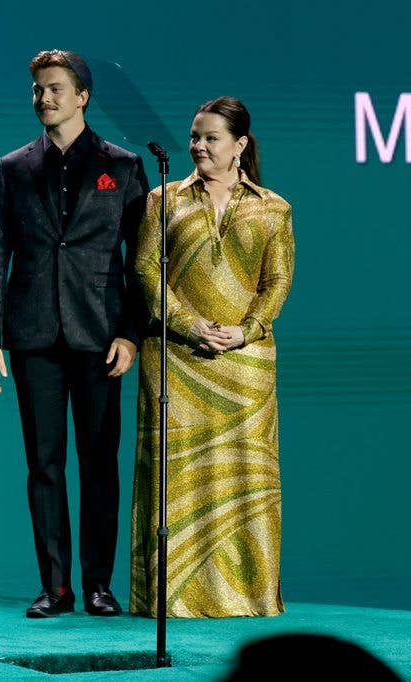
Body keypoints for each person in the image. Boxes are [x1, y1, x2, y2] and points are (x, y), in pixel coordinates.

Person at [0, 50, 149, 618]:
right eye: (37, 90)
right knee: (44, 465)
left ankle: (98, 583)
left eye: (54, 89)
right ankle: (56, 587)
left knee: (100, 463)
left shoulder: (122, 166)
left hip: (101, 337)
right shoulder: (13, 167)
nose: (44, 99)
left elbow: (141, 262)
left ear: (83, 97)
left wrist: (131, 334)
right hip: (33, 336)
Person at [130, 96, 294, 618]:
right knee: (175, 478)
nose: (198, 146)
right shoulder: (164, 200)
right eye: (195, 136)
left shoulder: (274, 207)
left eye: (210, 138)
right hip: (175, 358)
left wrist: (245, 331)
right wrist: (187, 324)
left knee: (244, 478)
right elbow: (146, 271)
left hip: (245, 367)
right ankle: (172, 598)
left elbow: (277, 282)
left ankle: (248, 596)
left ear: (240, 145)